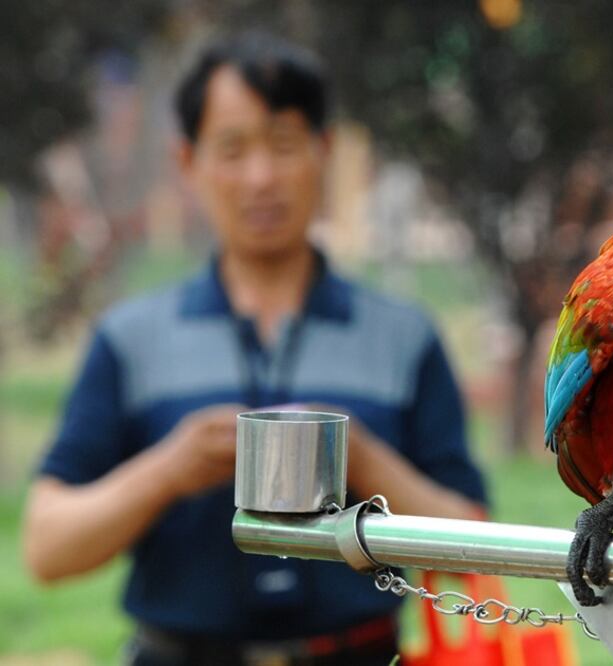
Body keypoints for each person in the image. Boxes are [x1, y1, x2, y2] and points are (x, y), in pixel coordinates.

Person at [21, 32, 487, 666]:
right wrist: (169, 469)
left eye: (285, 144)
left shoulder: (404, 337)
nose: (261, 176)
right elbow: (47, 548)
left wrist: (363, 461)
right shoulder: (130, 339)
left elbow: (475, 548)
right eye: (232, 149)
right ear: (187, 163)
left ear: (324, 152)